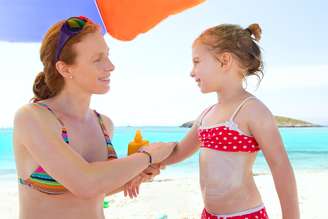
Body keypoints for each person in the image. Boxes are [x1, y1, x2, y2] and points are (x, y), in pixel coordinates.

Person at [131, 23, 300, 219]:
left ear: (224, 61)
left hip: (244, 215)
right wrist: (145, 164)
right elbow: (178, 151)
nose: (192, 72)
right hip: (209, 215)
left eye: (197, 61)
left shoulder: (252, 110)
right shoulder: (206, 115)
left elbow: (281, 167)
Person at [13, 16, 176, 219]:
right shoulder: (32, 118)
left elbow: (95, 190)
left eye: (107, 55)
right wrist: (147, 157)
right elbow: (85, 183)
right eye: (97, 59)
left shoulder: (104, 124)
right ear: (65, 69)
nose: (110, 66)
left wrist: (135, 174)